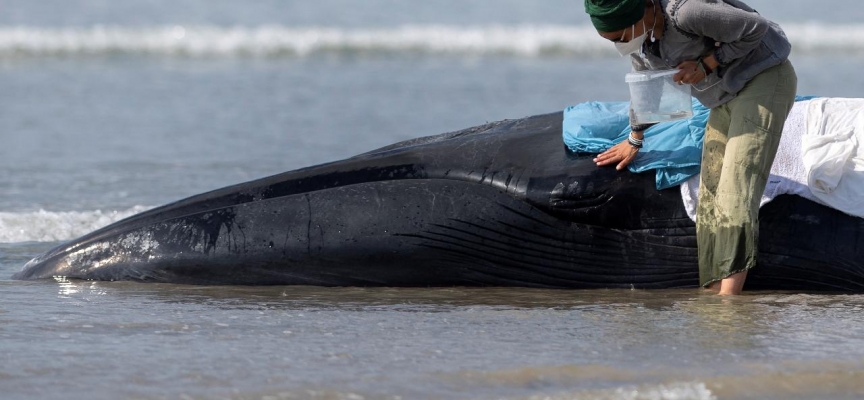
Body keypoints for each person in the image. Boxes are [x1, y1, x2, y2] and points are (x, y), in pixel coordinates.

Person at [584, 0, 797, 295]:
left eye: (620, 37)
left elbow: (756, 28)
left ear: (643, 12)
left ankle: (729, 300)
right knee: (708, 195)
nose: (621, 46)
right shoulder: (644, 43)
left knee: (735, 187)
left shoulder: (686, 13)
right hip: (724, 97)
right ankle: (711, 289)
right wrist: (635, 138)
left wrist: (708, 63)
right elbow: (649, 90)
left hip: (763, 78)